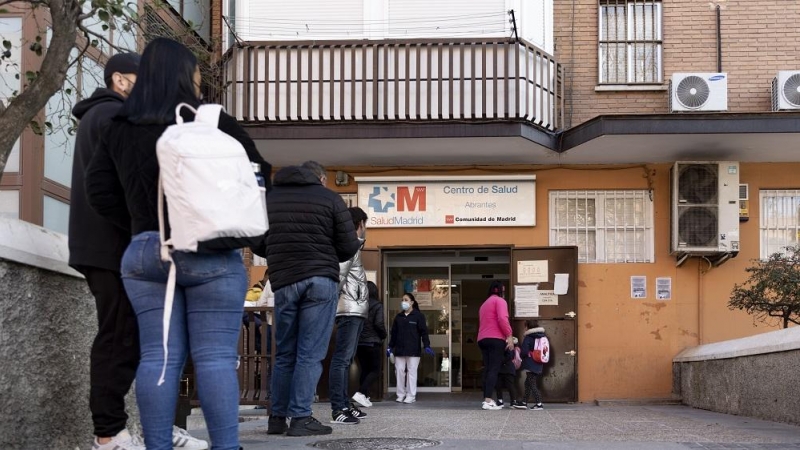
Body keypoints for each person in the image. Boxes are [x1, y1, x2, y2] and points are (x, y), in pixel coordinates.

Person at [85, 37, 270, 450]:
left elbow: (98, 192)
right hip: (212, 254)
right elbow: (259, 175)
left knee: (157, 356)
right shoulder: (212, 122)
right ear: (186, 77)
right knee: (216, 358)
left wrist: (141, 223)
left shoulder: (119, 125)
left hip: (147, 251)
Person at [69, 52, 206, 450]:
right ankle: (109, 434)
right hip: (110, 247)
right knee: (119, 340)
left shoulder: (103, 116)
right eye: (141, 79)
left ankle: (155, 429)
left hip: (111, 246)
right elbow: (115, 190)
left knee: (142, 340)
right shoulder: (111, 117)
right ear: (120, 81)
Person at [264, 160, 361, 437]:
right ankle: (301, 418)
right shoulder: (329, 198)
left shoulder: (270, 198)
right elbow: (347, 246)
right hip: (319, 280)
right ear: (320, 179)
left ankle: (277, 418)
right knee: (309, 353)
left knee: (285, 353)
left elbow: (258, 242)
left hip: (283, 281)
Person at [329, 206, 369, 425]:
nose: (366, 230)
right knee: (342, 360)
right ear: (359, 224)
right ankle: (338, 408)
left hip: (355, 309)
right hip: (348, 309)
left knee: (346, 359)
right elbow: (338, 278)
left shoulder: (354, 247)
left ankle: (344, 402)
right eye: (365, 225)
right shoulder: (347, 246)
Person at [388, 292, 434, 404]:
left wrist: (427, 345)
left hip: (413, 350)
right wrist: (390, 347)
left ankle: (411, 395)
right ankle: (400, 394)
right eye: (402, 300)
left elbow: (424, 332)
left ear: (412, 302)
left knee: (412, 372)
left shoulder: (418, 316)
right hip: (399, 349)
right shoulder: (399, 317)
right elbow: (394, 334)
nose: (403, 302)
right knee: (399, 371)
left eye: (406, 300)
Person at [477, 280, 514, 411]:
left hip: (482, 339)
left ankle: (486, 398)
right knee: (494, 369)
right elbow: (502, 319)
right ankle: (488, 401)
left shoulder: (484, 304)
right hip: (495, 339)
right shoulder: (500, 301)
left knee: (487, 369)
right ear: (501, 291)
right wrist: (509, 335)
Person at [353, 281, 387, 408]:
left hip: (359, 342)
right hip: (372, 342)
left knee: (365, 370)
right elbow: (379, 324)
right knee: (375, 370)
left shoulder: (359, 304)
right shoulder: (377, 305)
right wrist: (383, 335)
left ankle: (365, 397)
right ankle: (361, 393)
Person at [520, 320, 546, 410]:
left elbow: (524, 351)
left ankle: (539, 404)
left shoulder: (528, 337)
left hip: (530, 363)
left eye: (525, 326)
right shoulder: (542, 337)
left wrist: (522, 355)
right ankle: (524, 402)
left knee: (532, 384)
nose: (524, 328)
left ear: (528, 327)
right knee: (528, 383)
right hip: (539, 362)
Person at [495, 337, 525, 409]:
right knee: (509, 385)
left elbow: (508, 357)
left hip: (505, 368)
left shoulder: (508, 346)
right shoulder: (512, 346)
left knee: (500, 385)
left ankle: (502, 400)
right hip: (508, 369)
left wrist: (498, 360)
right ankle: (512, 401)